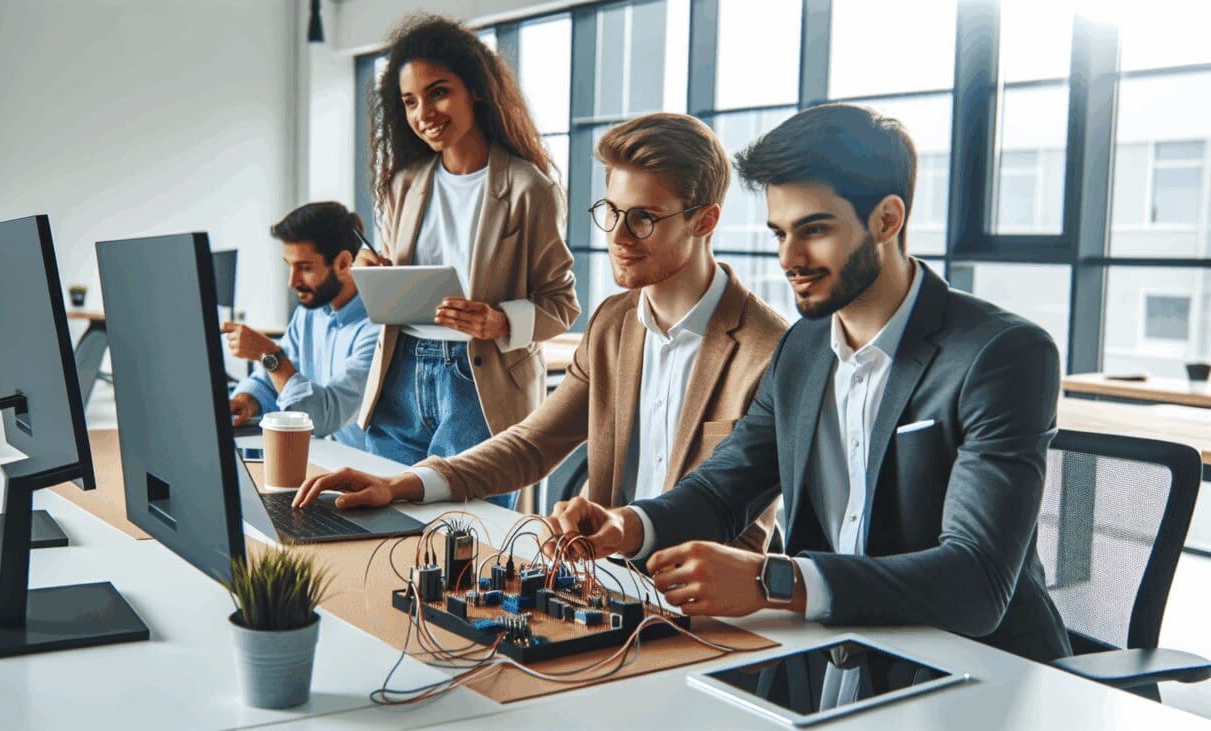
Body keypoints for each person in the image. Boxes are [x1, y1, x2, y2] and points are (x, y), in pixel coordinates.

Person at [545, 103, 1072, 663]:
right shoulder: (802, 349)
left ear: (886, 220)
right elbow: (723, 489)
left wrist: (774, 581)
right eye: (780, 233)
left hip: (976, 669)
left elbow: (976, 581)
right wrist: (626, 524)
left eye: (814, 230)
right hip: (826, 659)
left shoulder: (1002, 355)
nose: (789, 258)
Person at [293, 113, 788, 553]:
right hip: (606, 584)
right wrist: (401, 485)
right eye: (612, 211)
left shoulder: (769, 349)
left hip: (701, 604)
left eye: (643, 219)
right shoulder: (611, 324)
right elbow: (532, 445)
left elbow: (746, 527)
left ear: (705, 220)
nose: (617, 237)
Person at [349, 14, 580, 509]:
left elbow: (562, 304)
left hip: (479, 386)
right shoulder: (404, 184)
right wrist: (375, 274)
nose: (423, 113)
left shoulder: (529, 189)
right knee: (387, 526)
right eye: (410, 101)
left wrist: (500, 322)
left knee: (466, 537)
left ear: (474, 90)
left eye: (438, 92)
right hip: (400, 377)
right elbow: (397, 285)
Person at [225, 202, 379, 450]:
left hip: (367, 465)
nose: (292, 281)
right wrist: (248, 401)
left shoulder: (377, 328)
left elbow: (323, 417)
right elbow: (279, 380)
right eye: (290, 265)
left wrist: (269, 354)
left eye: (305, 268)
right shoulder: (309, 314)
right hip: (325, 454)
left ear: (343, 263)